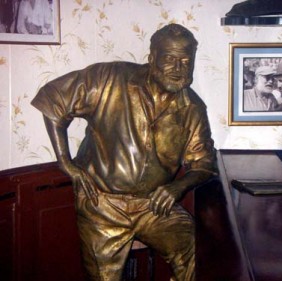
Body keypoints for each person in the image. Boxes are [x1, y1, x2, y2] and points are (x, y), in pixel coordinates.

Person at [31, 23, 217, 281]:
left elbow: (205, 164)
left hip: (153, 207)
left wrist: (177, 187)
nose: (178, 68)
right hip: (102, 204)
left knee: (200, 253)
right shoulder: (109, 78)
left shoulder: (193, 108)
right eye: (170, 59)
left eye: (186, 61)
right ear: (152, 59)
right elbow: (53, 99)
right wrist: (65, 162)